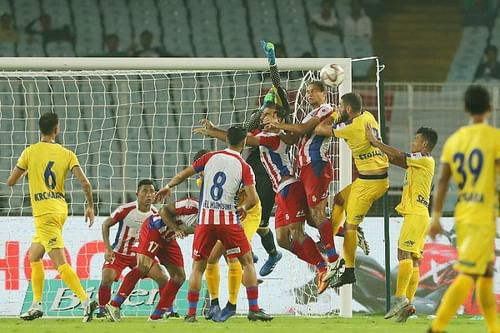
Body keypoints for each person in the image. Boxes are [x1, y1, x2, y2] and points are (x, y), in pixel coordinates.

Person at [194, 105, 333, 295]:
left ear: (276, 117)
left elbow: (242, 140)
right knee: (283, 239)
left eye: (266, 115)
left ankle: (324, 266)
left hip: (288, 187)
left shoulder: (272, 137)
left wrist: (213, 131)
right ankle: (320, 261)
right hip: (281, 190)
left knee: (298, 232)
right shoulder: (277, 134)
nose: (262, 118)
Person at [155, 126, 273, 322]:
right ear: (243, 143)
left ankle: (191, 314)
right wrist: (243, 208)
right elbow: (253, 198)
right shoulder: (244, 167)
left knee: (197, 268)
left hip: (205, 221)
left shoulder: (209, 157)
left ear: (226, 139)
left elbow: (185, 173)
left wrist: (168, 187)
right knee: (247, 263)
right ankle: (253, 309)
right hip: (228, 220)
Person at [6, 112, 97, 322]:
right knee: (34, 257)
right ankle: (37, 304)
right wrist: (90, 206)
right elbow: (85, 183)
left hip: (44, 212)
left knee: (59, 263)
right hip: (59, 208)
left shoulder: (29, 152)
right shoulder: (67, 153)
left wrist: (29, 171)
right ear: (57, 129)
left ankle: (85, 301)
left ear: (40, 129)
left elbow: (11, 182)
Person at [427, 85, 500, 333]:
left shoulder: (455, 140)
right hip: (482, 216)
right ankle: (436, 328)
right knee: (469, 274)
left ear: (465, 108)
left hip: (464, 213)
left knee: (485, 274)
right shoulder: (494, 138)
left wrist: (436, 217)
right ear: (490, 108)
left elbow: (443, 181)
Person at [262, 80, 339, 277]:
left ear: (324, 93)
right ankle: (339, 237)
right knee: (290, 233)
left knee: (316, 214)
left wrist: (278, 124)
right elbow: (294, 137)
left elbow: (303, 130)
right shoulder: (308, 114)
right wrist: (279, 127)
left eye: (313, 91)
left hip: (315, 164)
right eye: (307, 92)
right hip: (302, 170)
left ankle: (332, 259)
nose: (309, 94)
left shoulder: (326, 109)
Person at [314, 92, 389, 288]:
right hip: (371, 178)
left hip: (370, 183)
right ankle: (327, 238)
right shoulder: (368, 116)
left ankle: (349, 271)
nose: (339, 108)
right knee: (339, 200)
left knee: (350, 227)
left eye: (341, 106)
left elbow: (320, 129)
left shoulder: (350, 126)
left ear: (348, 109)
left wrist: (335, 116)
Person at [366, 126, 438, 322]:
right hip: (419, 215)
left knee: (403, 253)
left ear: (424, 144)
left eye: (415, 140)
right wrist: (378, 149)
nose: (412, 143)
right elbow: (396, 158)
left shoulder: (424, 159)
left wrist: (375, 142)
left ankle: (400, 298)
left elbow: (398, 154)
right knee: (413, 259)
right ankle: (409, 304)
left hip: (416, 214)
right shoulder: (419, 163)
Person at [105, 194, 198, 321]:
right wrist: (176, 228)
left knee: (179, 276)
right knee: (143, 266)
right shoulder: (191, 205)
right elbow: (163, 211)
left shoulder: (214, 220)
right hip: (154, 228)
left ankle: (157, 315)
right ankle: (114, 305)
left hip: (169, 238)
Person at [96, 179, 158, 318]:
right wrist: (107, 248)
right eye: (145, 191)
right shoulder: (125, 210)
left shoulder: (155, 213)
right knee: (107, 278)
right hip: (119, 253)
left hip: (140, 255)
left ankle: (168, 310)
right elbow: (105, 225)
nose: (149, 195)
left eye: (152, 192)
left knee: (163, 277)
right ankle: (102, 311)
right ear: (137, 194)